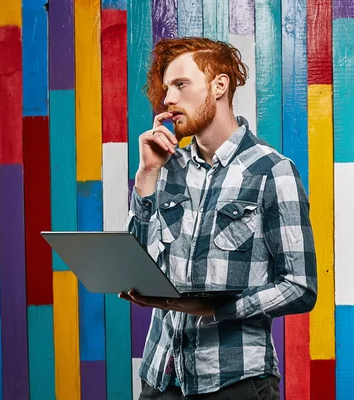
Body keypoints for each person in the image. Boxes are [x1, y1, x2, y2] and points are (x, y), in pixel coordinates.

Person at [119, 37, 318, 399]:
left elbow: (301, 287)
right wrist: (145, 176)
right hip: (161, 378)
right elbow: (137, 265)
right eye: (166, 89)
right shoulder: (164, 167)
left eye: (181, 84)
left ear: (219, 85)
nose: (168, 100)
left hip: (235, 381)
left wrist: (217, 308)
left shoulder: (272, 171)